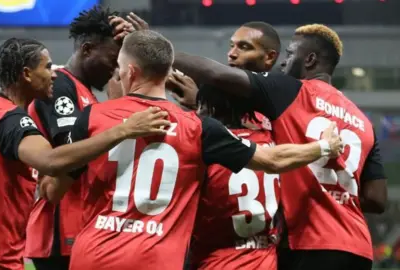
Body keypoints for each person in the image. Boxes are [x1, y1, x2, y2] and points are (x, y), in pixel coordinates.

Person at [40, 30, 343, 270]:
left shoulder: (94, 117)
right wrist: (324, 146)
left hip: (95, 255)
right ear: (165, 71)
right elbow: (271, 160)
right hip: (158, 259)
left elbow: (53, 189)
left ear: (130, 72)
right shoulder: (199, 128)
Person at [0, 37, 170, 270]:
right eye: (47, 67)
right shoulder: (11, 120)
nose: (54, 74)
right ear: (27, 74)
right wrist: (124, 129)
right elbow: (51, 161)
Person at [173, 24, 387, 270]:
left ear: (309, 59)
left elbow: (218, 75)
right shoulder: (362, 120)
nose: (284, 64)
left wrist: (160, 53)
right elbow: (376, 199)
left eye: (289, 55)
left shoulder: (291, 92)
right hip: (358, 247)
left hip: (309, 243)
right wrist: (332, 191)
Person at [25, 6, 134, 269]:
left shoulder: (87, 93)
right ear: (87, 50)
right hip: (60, 230)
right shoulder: (61, 85)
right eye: (112, 59)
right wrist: (119, 118)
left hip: (79, 224)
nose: (114, 69)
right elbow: (70, 152)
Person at [181, 22, 283, 270]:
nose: (231, 54)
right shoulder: (272, 132)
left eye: (243, 47)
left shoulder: (201, 144)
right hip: (265, 260)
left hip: (215, 262)